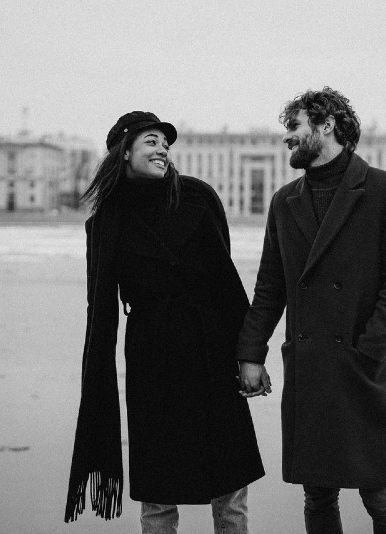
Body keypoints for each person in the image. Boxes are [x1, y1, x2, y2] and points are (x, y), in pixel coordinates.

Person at [64, 111, 264, 534]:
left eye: (165, 144)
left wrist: (250, 355)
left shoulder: (197, 197)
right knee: (158, 492)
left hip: (211, 347)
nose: (162, 150)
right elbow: (99, 307)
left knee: (229, 492)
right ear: (124, 153)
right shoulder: (107, 220)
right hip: (153, 355)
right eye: (151, 141)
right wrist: (97, 382)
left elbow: (226, 281)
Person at [236, 88, 386, 534]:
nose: (288, 140)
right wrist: (250, 353)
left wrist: (372, 347)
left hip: (362, 368)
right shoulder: (285, 202)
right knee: (317, 493)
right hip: (311, 367)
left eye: (295, 128)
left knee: (380, 493)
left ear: (327, 125)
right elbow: (270, 285)